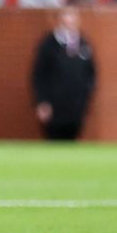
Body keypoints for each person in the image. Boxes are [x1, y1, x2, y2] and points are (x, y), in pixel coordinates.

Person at [32, 8, 96, 140]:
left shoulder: (83, 43)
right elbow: (39, 75)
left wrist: (85, 96)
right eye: (66, 18)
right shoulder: (49, 44)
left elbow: (90, 73)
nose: (69, 22)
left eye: (72, 18)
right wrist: (42, 101)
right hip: (55, 105)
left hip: (76, 105)